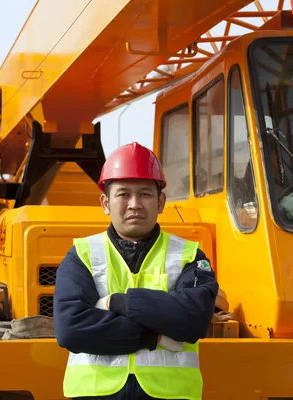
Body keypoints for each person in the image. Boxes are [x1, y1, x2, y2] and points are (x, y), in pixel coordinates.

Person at [54, 142, 219, 400]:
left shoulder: (189, 255)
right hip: (96, 393)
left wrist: (117, 302)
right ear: (105, 203)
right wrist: (154, 336)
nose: (134, 204)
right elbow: (71, 329)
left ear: (161, 202)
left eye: (144, 194)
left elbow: (194, 319)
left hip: (169, 394)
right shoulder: (82, 254)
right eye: (123, 194)